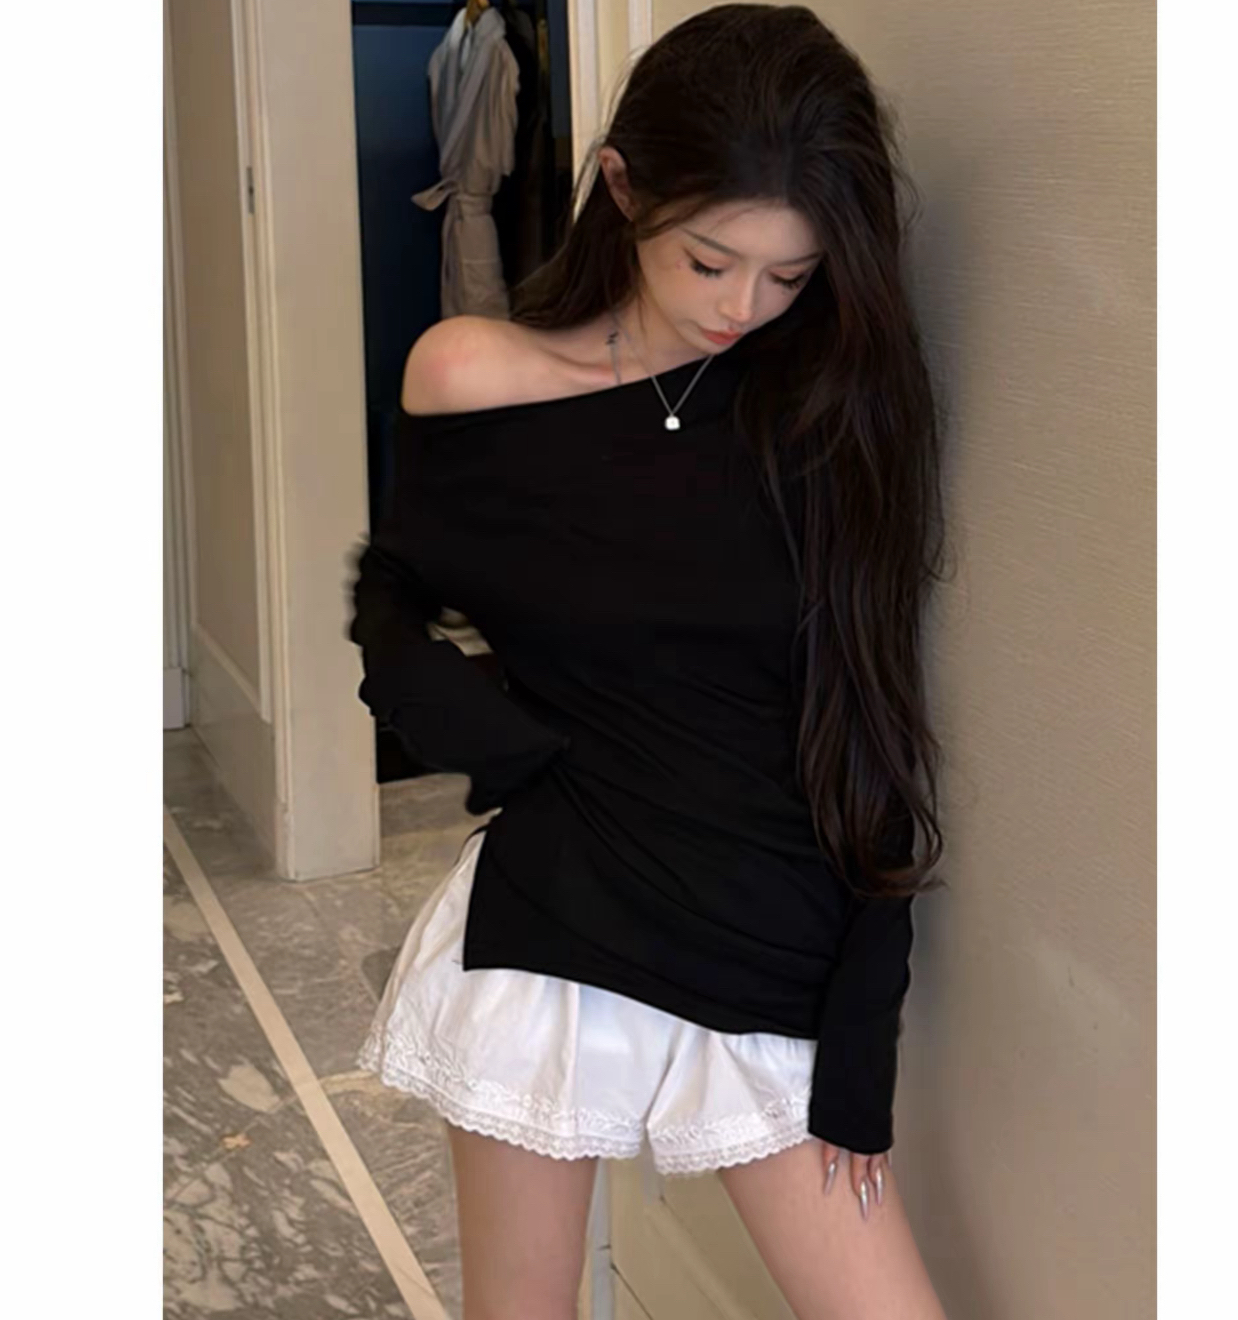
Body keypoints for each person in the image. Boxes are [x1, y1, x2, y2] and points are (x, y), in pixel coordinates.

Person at [347, 5, 950, 1316]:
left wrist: (863, 1021)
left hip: (765, 933)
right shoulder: (475, 373)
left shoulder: (831, 411)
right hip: (558, 912)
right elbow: (397, 583)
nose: (743, 308)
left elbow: (870, 717)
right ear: (621, 188)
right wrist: (462, 714)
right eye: (710, 261)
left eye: (788, 276)